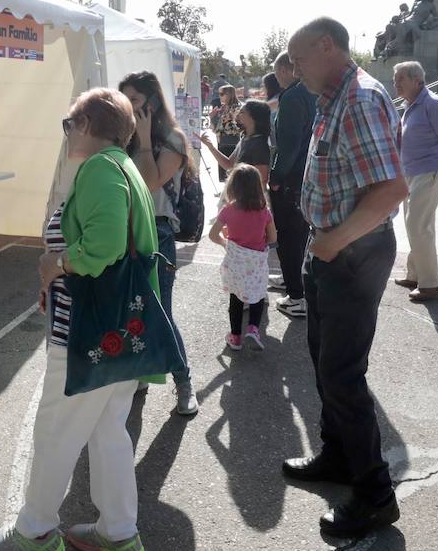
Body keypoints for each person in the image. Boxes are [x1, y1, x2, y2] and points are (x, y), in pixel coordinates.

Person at [0, 88, 154, 551]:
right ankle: (119, 532)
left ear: (88, 125)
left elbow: (100, 248)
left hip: (87, 334)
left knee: (56, 429)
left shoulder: (100, 169)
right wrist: (55, 274)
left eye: (68, 123)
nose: (66, 132)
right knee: (107, 433)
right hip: (120, 331)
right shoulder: (123, 166)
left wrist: (54, 265)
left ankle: (35, 529)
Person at [281, 17, 408, 538]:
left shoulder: (359, 98)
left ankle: (376, 495)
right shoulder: (331, 97)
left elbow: (390, 189)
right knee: (322, 359)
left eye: (300, 58)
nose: (294, 69)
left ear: (327, 47)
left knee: (342, 373)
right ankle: (337, 456)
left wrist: (335, 240)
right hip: (329, 248)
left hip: (351, 252)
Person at [119, 71, 199, 416]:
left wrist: (147, 138)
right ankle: (139, 374)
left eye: (133, 100)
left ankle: (183, 382)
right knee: (129, 307)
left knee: (160, 310)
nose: (128, 106)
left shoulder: (173, 141)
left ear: (151, 102)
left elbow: (151, 182)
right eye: (124, 100)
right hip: (125, 232)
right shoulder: (126, 138)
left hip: (159, 232)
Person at [391, 61, 438, 303]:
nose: (395, 83)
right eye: (395, 79)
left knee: (419, 225)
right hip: (414, 172)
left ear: (416, 80)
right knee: (415, 224)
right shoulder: (412, 105)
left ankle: (431, 283)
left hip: (429, 171)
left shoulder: (433, 104)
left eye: (400, 79)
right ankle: (416, 273)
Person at [268, 51, 317, 318]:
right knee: (297, 234)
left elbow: (288, 144)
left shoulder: (292, 96)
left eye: (277, 72)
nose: (276, 77)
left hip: (291, 178)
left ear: (287, 70)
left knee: (289, 235)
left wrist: (276, 177)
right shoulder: (310, 93)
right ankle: (292, 280)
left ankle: (297, 295)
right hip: (304, 175)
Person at [208, 163, 277, 351]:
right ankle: (253, 329)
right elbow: (273, 237)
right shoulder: (264, 211)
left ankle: (235, 337)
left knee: (236, 298)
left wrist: (226, 242)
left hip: (236, 263)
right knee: (258, 294)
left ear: (233, 187)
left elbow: (213, 235)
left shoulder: (228, 210)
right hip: (256, 262)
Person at [199, 98, 272, 185]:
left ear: (253, 118)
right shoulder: (245, 139)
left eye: (242, 112)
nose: (237, 115)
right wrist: (210, 146)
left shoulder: (259, 144)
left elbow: (262, 179)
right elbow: (229, 164)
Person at [211, 85, 243, 178]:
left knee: (231, 172)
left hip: (232, 143)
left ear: (229, 94)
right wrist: (212, 117)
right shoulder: (224, 107)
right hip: (222, 142)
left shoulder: (237, 108)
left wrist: (226, 120)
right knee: (224, 173)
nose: (219, 96)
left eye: (221, 94)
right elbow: (216, 129)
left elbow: (238, 128)